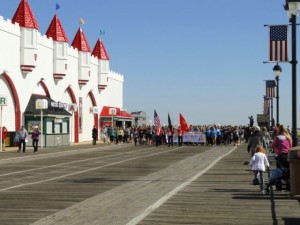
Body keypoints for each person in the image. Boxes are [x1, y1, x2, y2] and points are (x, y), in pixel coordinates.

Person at [271, 124, 292, 191]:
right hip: (288, 155)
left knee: (279, 171)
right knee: (287, 171)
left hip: (280, 155)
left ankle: (279, 186)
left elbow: (273, 146)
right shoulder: (289, 137)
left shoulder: (278, 137)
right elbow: (291, 147)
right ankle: (288, 186)